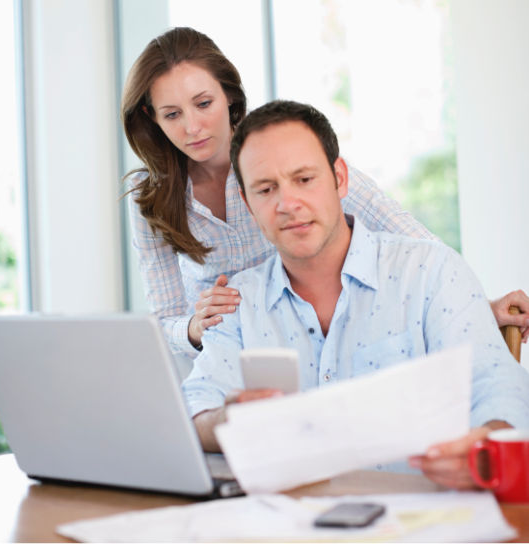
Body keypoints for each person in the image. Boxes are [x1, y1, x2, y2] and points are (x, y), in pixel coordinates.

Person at [121, 27, 529, 361]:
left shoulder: (288, 156)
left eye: (203, 103)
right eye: (172, 114)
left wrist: (475, 306)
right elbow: (165, 319)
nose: (192, 127)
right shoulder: (152, 199)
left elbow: (414, 241)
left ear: (229, 97)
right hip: (229, 369)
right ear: (151, 119)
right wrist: (193, 327)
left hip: (325, 350)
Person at [182, 100, 529, 490]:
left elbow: (498, 384)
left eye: (304, 179)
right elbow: (196, 407)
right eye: (266, 189)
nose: (287, 204)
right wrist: (227, 421)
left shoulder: (431, 271)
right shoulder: (236, 301)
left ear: (339, 179)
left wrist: (487, 448)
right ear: (248, 204)